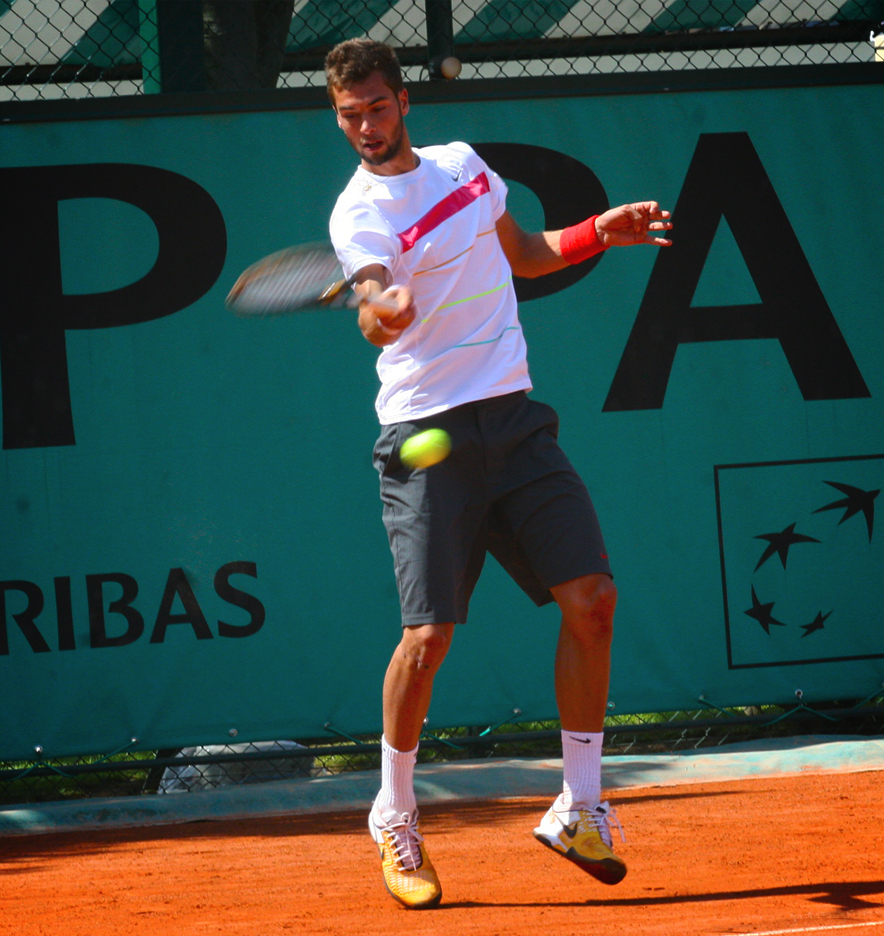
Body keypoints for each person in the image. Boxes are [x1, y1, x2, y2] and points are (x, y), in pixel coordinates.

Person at [323, 38, 671, 910]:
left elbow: (525, 254)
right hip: (425, 438)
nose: (363, 127)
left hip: (514, 422)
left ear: (404, 102)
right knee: (428, 641)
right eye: (347, 115)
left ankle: (580, 806)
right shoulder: (358, 215)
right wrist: (384, 310)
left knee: (592, 600)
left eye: (374, 107)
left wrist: (598, 232)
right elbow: (374, 306)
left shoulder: (463, 168)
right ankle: (394, 813)